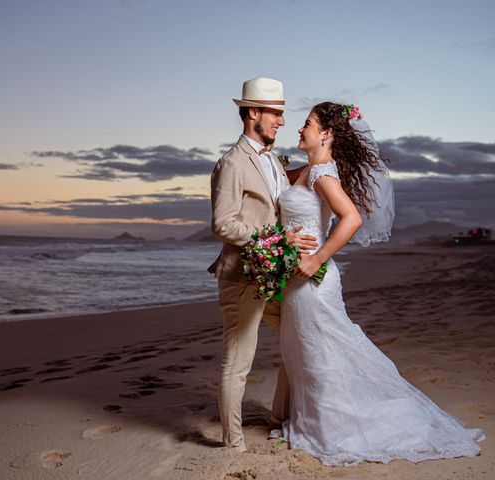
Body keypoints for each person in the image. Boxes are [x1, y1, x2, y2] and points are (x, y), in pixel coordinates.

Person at [275, 101, 485, 465]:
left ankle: (331, 429)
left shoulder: (323, 173)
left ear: (326, 133)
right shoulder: (309, 170)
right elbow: (282, 178)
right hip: (297, 283)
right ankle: (313, 420)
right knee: (308, 352)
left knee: (322, 355)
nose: (299, 129)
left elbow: (351, 219)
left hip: (312, 281)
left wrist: (316, 259)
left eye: (306, 124)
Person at [208, 77, 317, 452]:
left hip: (273, 276)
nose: (282, 122)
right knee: (238, 362)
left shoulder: (273, 160)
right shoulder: (232, 163)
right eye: (276, 114)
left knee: (299, 341)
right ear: (253, 112)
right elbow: (223, 223)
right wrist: (275, 240)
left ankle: (278, 417)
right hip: (241, 277)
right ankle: (233, 441)